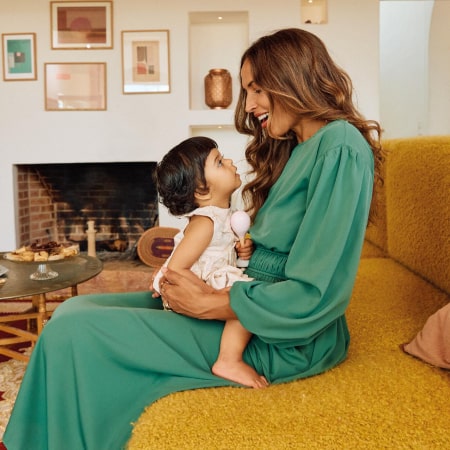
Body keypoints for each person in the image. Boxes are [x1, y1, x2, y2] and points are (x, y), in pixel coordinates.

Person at [4, 28, 382, 450]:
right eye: (246, 91)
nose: (249, 105)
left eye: (257, 89)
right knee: (72, 310)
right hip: (243, 301)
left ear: (293, 77)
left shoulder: (340, 148)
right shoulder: (296, 147)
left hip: (284, 334)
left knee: (76, 333)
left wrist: (210, 304)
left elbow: (317, 292)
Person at [152, 136, 268, 388]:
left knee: (242, 296)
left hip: (209, 279)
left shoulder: (222, 216)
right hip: (195, 285)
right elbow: (176, 268)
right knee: (244, 300)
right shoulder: (205, 222)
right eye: (219, 162)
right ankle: (229, 360)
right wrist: (208, 295)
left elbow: (219, 250)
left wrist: (242, 250)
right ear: (201, 191)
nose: (230, 161)